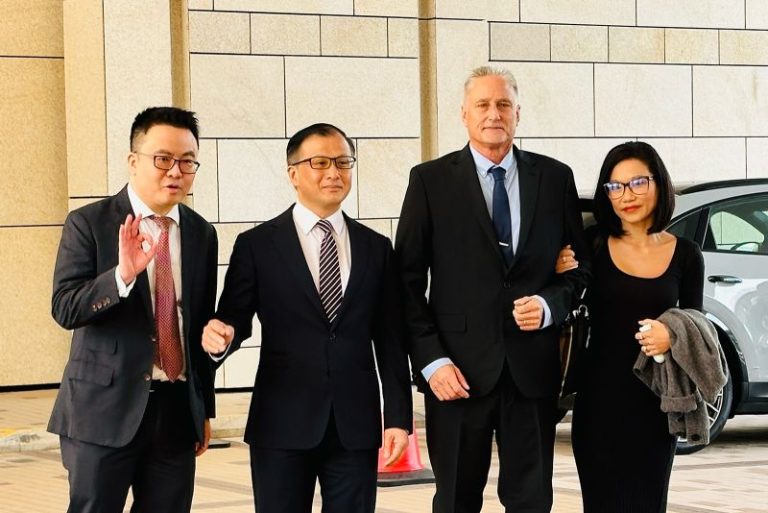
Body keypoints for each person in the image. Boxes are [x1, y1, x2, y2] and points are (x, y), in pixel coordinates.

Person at [394, 65, 591, 513]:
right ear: (464, 114)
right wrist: (431, 362)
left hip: (531, 372)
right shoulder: (429, 181)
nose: (493, 113)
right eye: (482, 104)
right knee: (456, 501)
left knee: (531, 501)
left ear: (518, 113)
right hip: (456, 374)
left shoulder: (554, 178)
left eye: (503, 104)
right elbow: (405, 283)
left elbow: (581, 271)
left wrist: (548, 304)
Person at [201, 123, 413, 513]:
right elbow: (234, 318)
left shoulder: (376, 248)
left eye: (343, 162)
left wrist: (398, 418)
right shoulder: (257, 245)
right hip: (281, 422)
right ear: (293, 173)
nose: (334, 172)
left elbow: (391, 340)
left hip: (356, 426)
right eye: (320, 162)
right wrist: (222, 335)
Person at [48, 107, 218, 513]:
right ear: (133, 160)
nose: (175, 171)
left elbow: (197, 326)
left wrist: (203, 408)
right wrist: (121, 277)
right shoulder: (89, 223)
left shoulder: (201, 233)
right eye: (163, 159)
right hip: (102, 412)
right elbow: (65, 307)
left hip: (176, 411)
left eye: (187, 161)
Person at [556, 141, 705, 512]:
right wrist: (559, 274)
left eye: (638, 182)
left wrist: (672, 334)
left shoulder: (686, 254)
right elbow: (564, 303)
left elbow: (697, 325)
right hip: (598, 404)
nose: (627, 195)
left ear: (659, 184)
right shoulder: (591, 244)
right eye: (615, 186)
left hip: (655, 407)